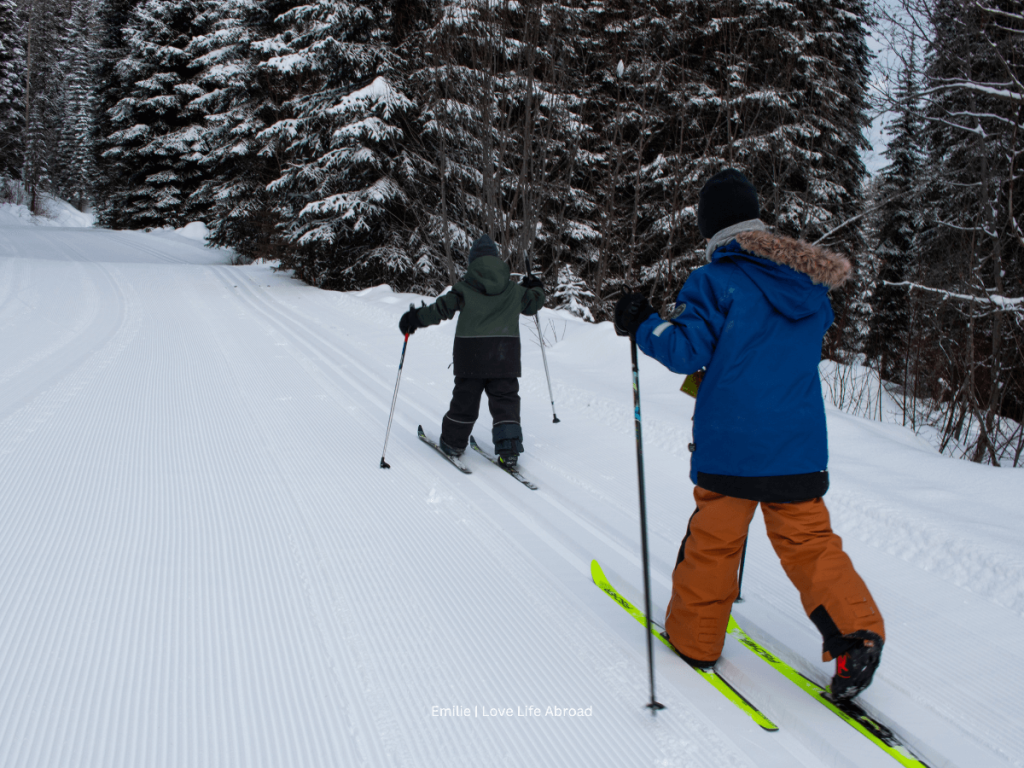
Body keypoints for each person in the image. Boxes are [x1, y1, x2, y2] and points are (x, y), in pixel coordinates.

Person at [613, 168, 885, 701]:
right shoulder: (808, 289)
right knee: (809, 543)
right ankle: (856, 634)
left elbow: (685, 350)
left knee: (714, 544)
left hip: (733, 445)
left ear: (710, 228)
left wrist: (643, 321)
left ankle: (695, 643)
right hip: (798, 449)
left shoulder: (716, 281)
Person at [399, 234, 545, 467]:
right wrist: (535, 285)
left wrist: (414, 318)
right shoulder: (513, 290)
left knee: (465, 399)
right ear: (496, 260)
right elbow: (534, 302)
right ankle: (508, 449)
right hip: (504, 356)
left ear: (473, 262)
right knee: (505, 400)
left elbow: (440, 309)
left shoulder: (465, 287)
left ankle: (453, 443)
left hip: (471, 355)